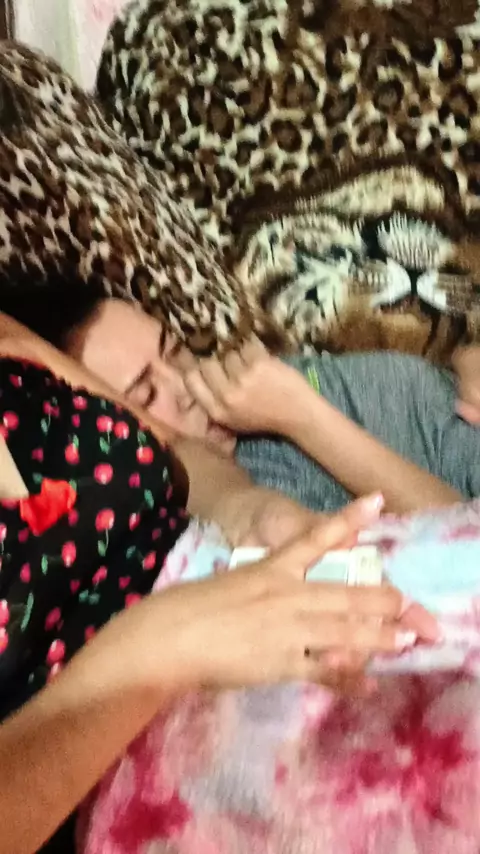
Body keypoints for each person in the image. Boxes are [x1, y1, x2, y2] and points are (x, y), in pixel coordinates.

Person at [0, 332, 438, 854]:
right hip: (136, 780)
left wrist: (252, 510)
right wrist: (154, 650)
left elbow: (177, 454)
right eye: (144, 388)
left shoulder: (12, 342)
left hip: (241, 586)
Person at [3, 287, 473, 515]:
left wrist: (461, 358)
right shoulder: (258, 498)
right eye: (146, 394)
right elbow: (462, 540)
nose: (186, 385)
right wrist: (303, 417)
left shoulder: (258, 389)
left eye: (174, 351)